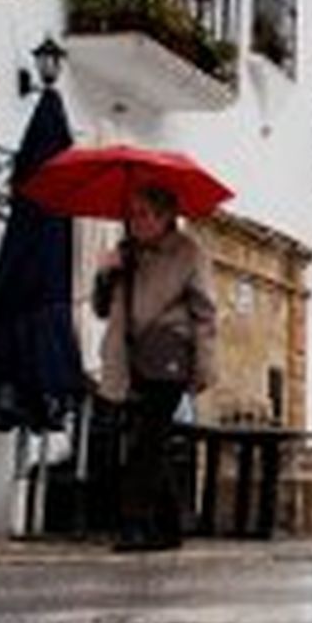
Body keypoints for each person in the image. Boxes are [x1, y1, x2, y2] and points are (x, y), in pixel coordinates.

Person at [92, 184, 217, 552]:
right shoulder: (126, 253)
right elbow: (101, 308)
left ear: (166, 217)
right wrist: (105, 273)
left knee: (145, 443)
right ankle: (170, 526)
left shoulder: (188, 253)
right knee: (151, 443)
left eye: (145, 214)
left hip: (168, 355)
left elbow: (205, 313)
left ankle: (134, 525)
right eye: (133, 213)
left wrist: (204, 367)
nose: (137, 221)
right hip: (127, 358)